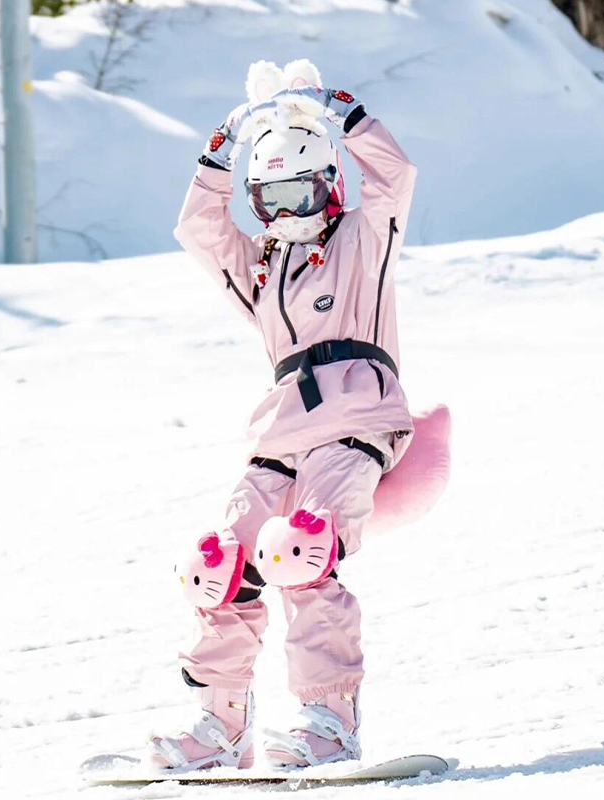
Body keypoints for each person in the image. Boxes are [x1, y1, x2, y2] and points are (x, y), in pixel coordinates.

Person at [150, 60, 417, 772]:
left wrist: (338, 109)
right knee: (218, 564)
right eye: (267, 199)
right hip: (281, 429)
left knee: (303, 550)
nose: (283, 213)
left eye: (297, 191)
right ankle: (220, 727)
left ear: (329, 184)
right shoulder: (263, 268)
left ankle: (329, 721)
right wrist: (223, 147)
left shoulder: (364, 240)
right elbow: (199, 228)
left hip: (357, 417)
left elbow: (395, 175)